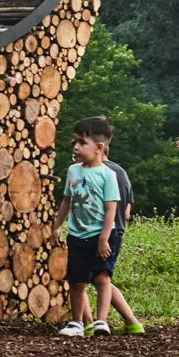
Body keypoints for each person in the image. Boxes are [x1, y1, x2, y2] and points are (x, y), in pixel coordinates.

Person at [57, 117, 123, 338]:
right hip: (77, 235)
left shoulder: (108, 175)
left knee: (102, 278)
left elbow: (111, 209)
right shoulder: (73, 171)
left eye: (81, 143)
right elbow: (66, 201)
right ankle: (77, 323)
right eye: (74, 141)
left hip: (101, 235)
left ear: (99, 148)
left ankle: (101, 321)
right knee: (76, 281)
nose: (75, 147)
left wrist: (104, 238)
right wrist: (57, 227)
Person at [90, 121, 144, 335]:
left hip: (102, 230)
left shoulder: (100, 172)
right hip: (118, 228)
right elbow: (128, 210)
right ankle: (131, 322)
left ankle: (125, 321)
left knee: (99, 278)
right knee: (100, 278)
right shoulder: (121, 172)